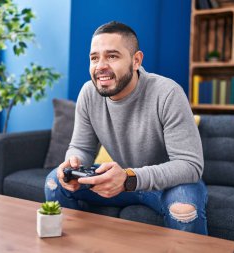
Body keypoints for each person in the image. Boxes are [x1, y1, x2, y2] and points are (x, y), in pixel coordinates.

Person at [45, 21, 207, 235]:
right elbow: (81, 147)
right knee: (55, 182)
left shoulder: (167, 93)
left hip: (167, 184)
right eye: (94, 58)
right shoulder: (88, 93)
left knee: (184, 210)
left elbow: (190, 165)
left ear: (136, 60)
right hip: (119, 181)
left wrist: (130, 178)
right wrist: (73, 163)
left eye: (112, 56)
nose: (100, 66)